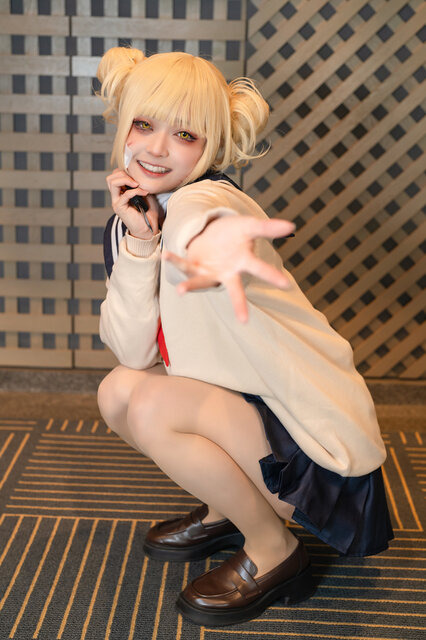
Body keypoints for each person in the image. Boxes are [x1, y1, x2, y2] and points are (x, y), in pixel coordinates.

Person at [96, 47, 393, 627]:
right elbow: (133, 351)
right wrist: (140, 244)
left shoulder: (207, 199)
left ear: (211, 146)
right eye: (144, 124)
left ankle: (274, 548)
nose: (156, 148)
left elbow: (206, 222)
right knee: (118, 390)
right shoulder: (137, 216)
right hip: (253, 422)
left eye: (185, 134)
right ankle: (228, 509)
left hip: (311, 450)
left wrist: (209, 246)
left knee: (153, 405)